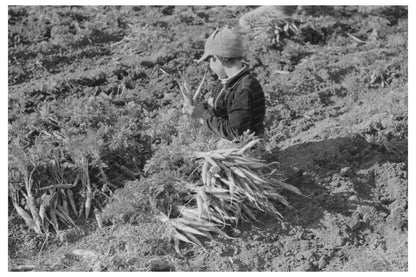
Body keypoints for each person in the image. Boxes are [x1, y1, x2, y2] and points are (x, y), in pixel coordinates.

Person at [182, 27, 266, 142]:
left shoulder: (244, 88)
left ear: (216, 58)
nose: (210, 66)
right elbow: (215, 111)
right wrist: (198, 109)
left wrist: (203, 114)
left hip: (245, 151)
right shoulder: (226, 82)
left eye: (209, 61)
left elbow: (234, 132)